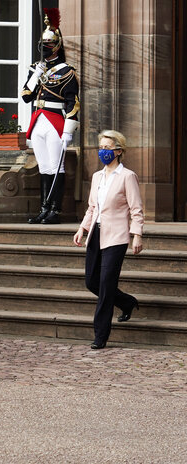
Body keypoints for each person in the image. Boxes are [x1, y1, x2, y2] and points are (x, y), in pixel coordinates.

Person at [73, 130, 143, 349]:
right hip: (96, 234)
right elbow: (93, 207)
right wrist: (82, 229)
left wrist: (137, 234)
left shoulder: (127, 176)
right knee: (91, 281)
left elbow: (136, 209)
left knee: (105, 284)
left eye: (107, 148)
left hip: (117, 237)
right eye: (100, 147)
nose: (102, 151)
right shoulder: (97, 177)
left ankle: (100, 335)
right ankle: (127, 302)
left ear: (118, 151)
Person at [21, 8, 80, 224]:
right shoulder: (35, 68)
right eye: (43, 45)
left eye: (48, 45)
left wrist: (68, 131)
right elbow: (26, 96)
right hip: (38, 121)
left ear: (57, 46)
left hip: (56, 121)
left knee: (56, 167)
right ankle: (44, 208)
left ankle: (55, 210)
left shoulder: (67, 72)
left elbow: (72, 103)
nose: (44, 48)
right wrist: (36, 74)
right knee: (44, 167)